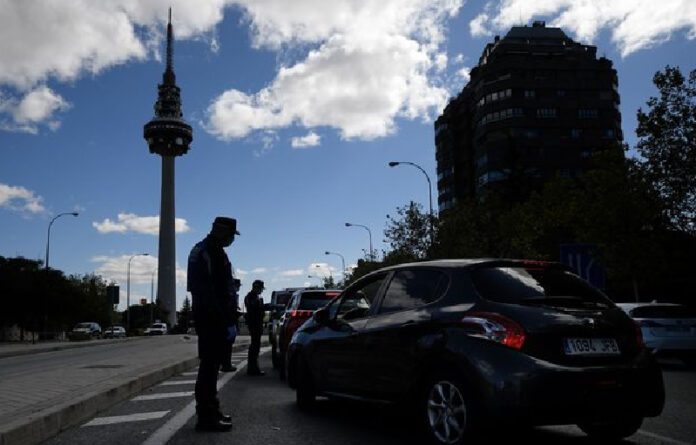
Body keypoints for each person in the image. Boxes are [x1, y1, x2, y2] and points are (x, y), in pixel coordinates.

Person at [187, 217, 240, 432]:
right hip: (213, 316)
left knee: (210, 366)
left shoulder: (200, 249)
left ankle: (211, 411)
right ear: (222, 232)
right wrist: (227, 320)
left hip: (206, 314)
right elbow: (217, 291)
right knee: (209, 368)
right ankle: (207, 416)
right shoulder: (213, 252)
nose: (231, 240)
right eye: (230, 235)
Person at [244, 279, 266, 376]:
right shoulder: (251, 297)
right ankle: (253, 369)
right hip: (254, 324)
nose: (261, 291)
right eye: (260, 288)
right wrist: (263, 307)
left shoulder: (255, 297)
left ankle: (253, 368)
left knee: (256, 346)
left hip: (257, 323)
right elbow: (255, 309)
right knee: (254, 346)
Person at [221, 278, 241, 372]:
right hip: (229, 323)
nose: (238, 288)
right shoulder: (231, 294)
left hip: (228, 322)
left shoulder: (228, 294)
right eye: (238, 286)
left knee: (227, 346)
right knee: (227, 346)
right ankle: (226, 364)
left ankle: (226, 363)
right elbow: (229, 310)